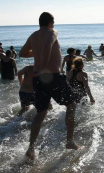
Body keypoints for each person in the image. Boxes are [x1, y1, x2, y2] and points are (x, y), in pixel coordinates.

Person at [19, 12, 78, 159]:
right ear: (50, 23)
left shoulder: (33, 35)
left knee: (41, 113)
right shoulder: (52, 32)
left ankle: (31, 149)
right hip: (52, 77)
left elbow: (22, 53)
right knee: (71, 104)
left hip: (38, 79)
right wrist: (43, 65)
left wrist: (37, 56)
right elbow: (47, 45)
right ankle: (69, 141)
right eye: (54, 22)